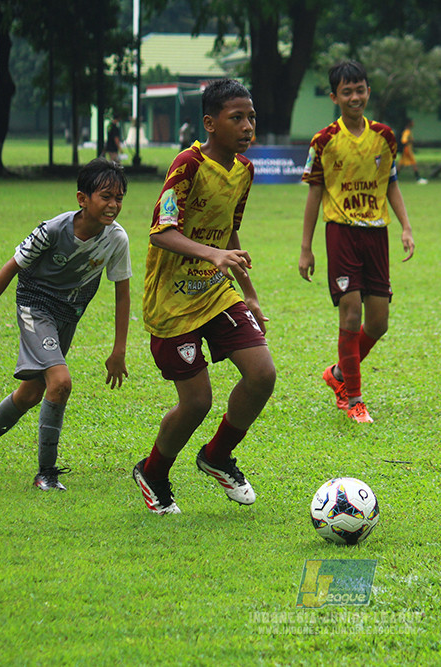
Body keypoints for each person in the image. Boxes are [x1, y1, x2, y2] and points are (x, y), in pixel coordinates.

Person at [132, 79, 275, 515]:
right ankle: (153, 472)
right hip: (173, 303)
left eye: (251, 117)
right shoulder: (188, 164)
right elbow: (161, 231)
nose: (248, 126)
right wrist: (211, 253)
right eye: (238, 118)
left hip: (216, 292)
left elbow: (228, 227)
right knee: (197, 403)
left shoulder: (244, 171)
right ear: (210, 123)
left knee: (262, 374)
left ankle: (216, 456)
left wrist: (248, 292)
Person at [0, 158, 132, 490]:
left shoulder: (117, 240)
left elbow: (122, 294)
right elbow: (12, 266)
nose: (113, 205)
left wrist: (118, 349)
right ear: (82, 199)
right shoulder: (52, 230)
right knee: (61, 382)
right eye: (105, 196)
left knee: (32, 392)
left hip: (69, 315)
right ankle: (46, 473)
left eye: (119, 198)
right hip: (35, 306)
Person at [299, 60, 416, 423]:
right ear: (334, 97)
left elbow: (392, 184)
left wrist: (405, 227)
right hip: (341, 233)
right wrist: (306, 247)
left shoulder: (384, 136)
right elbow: (315, 194)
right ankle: (353, 399)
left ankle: (337, 375)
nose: (355, 96)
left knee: (378, 322)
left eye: (360, 89)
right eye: (346, 91)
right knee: (350, 311)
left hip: (376, 234)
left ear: (368, 91)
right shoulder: (324, 141)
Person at [398, 118, 427, 184]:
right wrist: (411, 141)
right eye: (412, 122)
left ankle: (394, 178)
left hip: (406, 150)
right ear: (409, 123)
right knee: (413, 163)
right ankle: (418, 178)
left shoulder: (408, 131)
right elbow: (404, 140)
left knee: (401, 164)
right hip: (407, 150)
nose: (413, 123)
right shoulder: (407, 131)